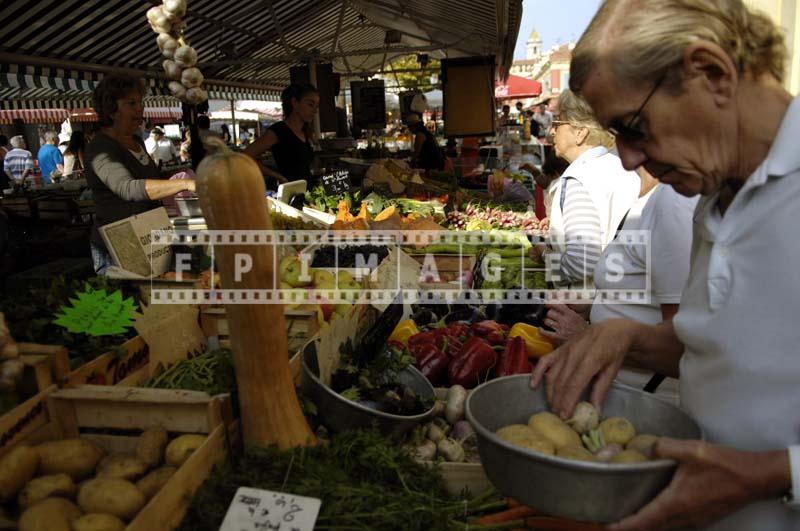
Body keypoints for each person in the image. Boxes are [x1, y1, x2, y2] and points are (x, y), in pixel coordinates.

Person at [531, 1, 799, 530]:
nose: (627, 159)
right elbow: (718, 349)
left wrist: (770, 474)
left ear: (710, 73)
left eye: (633, 127)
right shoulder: (713, 193)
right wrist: (628, 336)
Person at [540, 166, 698, 403]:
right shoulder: (647, 197)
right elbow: (647, 294)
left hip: (648, 404)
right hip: (617, 391)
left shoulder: (672, 204)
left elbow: (687, 350)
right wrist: (595, 304)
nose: (620, 151)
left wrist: (587, 336)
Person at [85, 73, 195, 274]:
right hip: (120, 244)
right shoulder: (100, 148)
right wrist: (185, 184)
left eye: (140, 102)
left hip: (149, 236)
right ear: (111, 109)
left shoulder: (136, 142)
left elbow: (149, 182)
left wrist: (178, 177)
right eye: (131, 103)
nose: (140, 108)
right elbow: (128, 188)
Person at [530, 89, 639, 288]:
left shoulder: (579, 178)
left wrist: (544, 254)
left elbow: (580, 263)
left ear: (580, 132)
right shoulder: (621, 168)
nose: (552, 131)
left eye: (558, 123)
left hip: (585, 304)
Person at [244, 83, 318, 184]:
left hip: (309, 190)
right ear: (295, 103)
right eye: (310, 104)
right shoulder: (278, 130)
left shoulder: (305, 131)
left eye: (316, 106)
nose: (315, 110)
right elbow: (245, 156)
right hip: (291, 194)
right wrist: (276, 176)